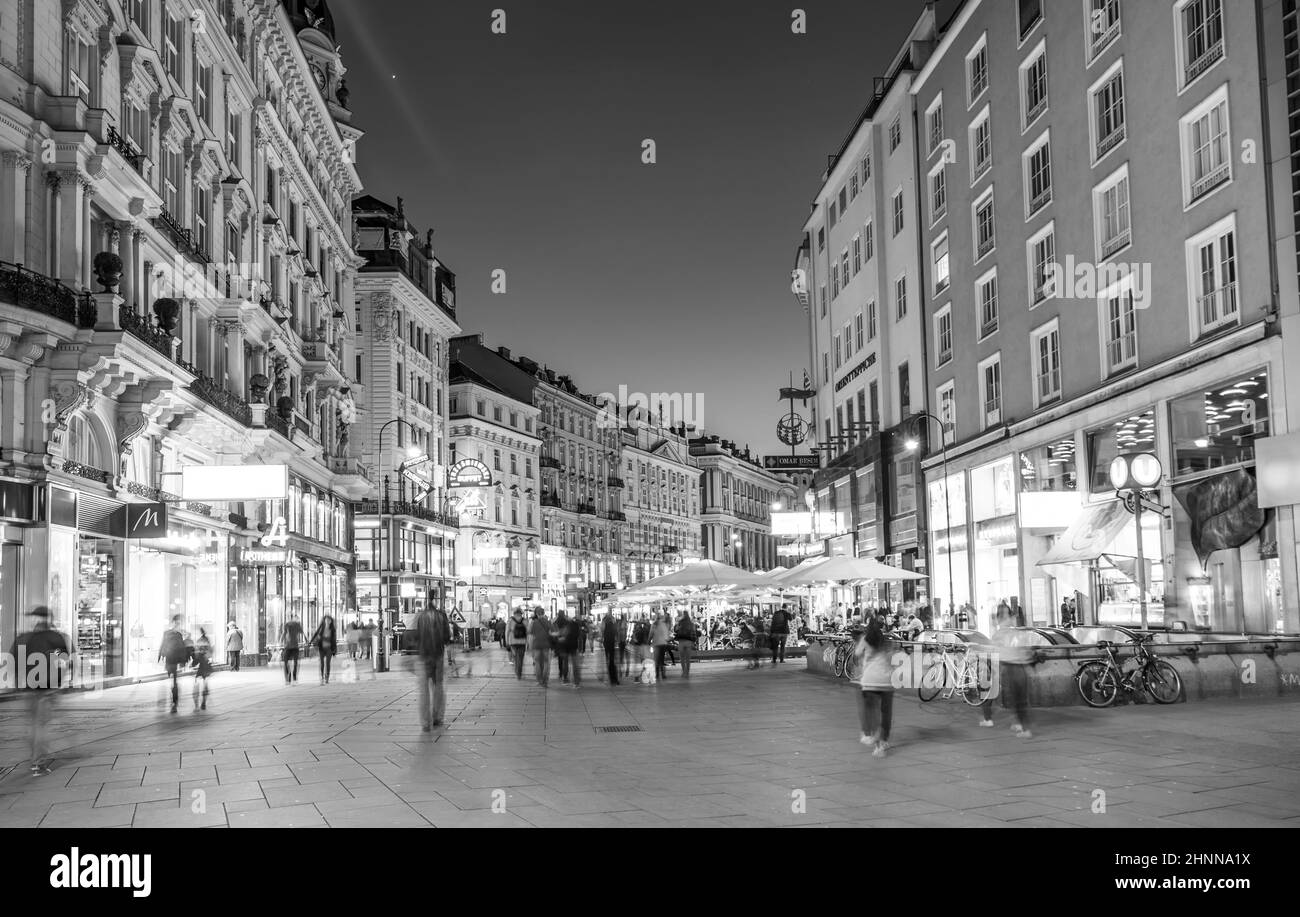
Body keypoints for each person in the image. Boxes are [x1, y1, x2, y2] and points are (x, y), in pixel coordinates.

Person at [8, 607, 71, 775]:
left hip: (28, 688)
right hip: (48, 688)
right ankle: (39, 763)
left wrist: (17, 683)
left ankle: (35, 759)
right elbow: (63, 660)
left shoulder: (23, 638)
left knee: (33, 725)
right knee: (41, 725)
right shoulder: (55, 637)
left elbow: (12, 661)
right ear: (48, 619)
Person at [979, 626, 1034, 737]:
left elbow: (993, 649)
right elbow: (1025, 651)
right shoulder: (1017, 633)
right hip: (1020, 668)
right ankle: (1020, 724)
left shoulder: (1001, 633)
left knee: (1013, 698)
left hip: (1008, 667)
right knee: (1019, 699)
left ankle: (1023, 728)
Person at [855, 616, 897, 757]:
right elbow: (892, 660)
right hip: (886, 681)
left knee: (870, 710)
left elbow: (857, 654)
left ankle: (869, 733)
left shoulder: (865, 639)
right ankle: (882, 742)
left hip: (869, 681)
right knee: (886, 713)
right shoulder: (885, 642)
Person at [414, 603, 450, 731]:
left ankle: (425, 722)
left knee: (424, 690)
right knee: (438, 686)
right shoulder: (441, 616)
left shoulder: (420, 616)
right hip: (438, 655)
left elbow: (416, 636)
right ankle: (437, 717)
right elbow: (447, 637)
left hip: (424, 655)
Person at [158, 615, 191, 713]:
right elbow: (164, 644)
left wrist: (183, 661)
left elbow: (180, 647)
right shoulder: (171, 634)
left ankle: (174, 702)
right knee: (173, 679)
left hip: (173, 660)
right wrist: (160, 655)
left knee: (174, 680)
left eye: (178, 623)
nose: (177, 625)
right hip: (171, 659)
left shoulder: (175, 634)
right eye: (176, 623)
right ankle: (174, 701)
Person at [311, 614, 338, 685]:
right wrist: (310, 641)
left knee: (328, 663)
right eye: (326, 620)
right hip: (321, 648)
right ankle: (322, 678)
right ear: (324, 620)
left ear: (331, 621)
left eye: (329, 620)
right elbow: (316, 634)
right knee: (322, 663)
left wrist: (335, 650)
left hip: (329, 648)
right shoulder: (321, 628)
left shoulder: (332, 630)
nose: (328, 621)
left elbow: (333, 640)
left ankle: (327, 678)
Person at [191, 628, 214, 710]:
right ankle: (203, 702)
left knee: (197, 681)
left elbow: (197, 654)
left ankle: (197, 704)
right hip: (206, 664)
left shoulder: (199, 641)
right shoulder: (207, 640)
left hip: (201, 664)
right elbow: (210, 652)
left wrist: (193, 663)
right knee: (205, 682)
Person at [280, 613, 305, 685]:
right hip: (288, 646)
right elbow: (284, 633)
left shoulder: (294, 625)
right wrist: (280, 642)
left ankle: (291, 678)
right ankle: (290, 678)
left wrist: (280, 641)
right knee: (289, 663)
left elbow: (301, 633)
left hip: (293, 646)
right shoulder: (289, 625)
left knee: (292, 663)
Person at [530, 607, 551, 686]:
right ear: (543, 613)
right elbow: (552, 632)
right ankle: (545, 681)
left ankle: (539, 680)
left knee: (537, 662)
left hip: (536, 644)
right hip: (546, 644)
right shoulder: (547, 621)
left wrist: (530, 646)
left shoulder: (534, 622)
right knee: (546, 662)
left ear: (537, 614)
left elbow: (531, 635)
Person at [674, 610, 698, 678]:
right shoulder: (691, 624)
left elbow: (676, 630)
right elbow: (694, 633)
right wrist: (693, 642)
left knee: (682, 658)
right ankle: (687, 673)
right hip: (689, 642)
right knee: (688, 659)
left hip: (681, 641)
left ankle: (683, 672)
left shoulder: (680, 622)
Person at [562, 612, 583, 687]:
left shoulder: (566, 625)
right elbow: (579, 637)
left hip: (566, 647)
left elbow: (563, 635)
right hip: (574, 646)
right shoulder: (576, 625)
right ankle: (576, 682)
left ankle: (565, 679)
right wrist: (580, 648)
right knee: (575, 665)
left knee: (565, 663)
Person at [507, 607, 529, 679]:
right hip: (522, 642)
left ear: (514, 613)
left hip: (513, 642)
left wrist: (507, 641)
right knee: (521, 658)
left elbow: (507, 631)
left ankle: (517, 672)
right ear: (521, 613)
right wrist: (528, 642)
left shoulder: (510, 620)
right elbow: (528, 632)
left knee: (515, 657)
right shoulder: (525, 621)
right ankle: (519, 673)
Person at [602, 609, 620, 685]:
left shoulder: (604, 622)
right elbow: (616, 632)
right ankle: (614, 679)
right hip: (611, 643)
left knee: (609, 660)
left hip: (607, 642)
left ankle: (612, 678)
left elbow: (602, 631)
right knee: (612, 661)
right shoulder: (613, 622)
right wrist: (617, 640)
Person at [652, 612, 671, 681]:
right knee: (662, 659)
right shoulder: (664, 625)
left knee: (656, 659)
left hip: (656, 644)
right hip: (663, 644)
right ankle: (663, 674)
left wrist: (648, 642)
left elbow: (651, 634)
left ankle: (657, 674)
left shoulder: (654, 624)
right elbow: (667, 636)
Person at [553, 611, 570, 684]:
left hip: (558, 643)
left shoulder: (555, 622)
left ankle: (560, 673)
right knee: (565, 660)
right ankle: (565, 676)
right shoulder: (567, 621)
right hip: (566, 643)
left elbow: (553, 633)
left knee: (560, 659)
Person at [617, 613, 630, 678]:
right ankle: (625, 669)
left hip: (622, 641)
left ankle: (621, 670)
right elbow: (626, 631)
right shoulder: (624, 623)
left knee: (622, 656)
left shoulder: (620, 624)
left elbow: (619, 632)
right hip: (624, 641)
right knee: (626, 656)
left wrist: (618, 640)